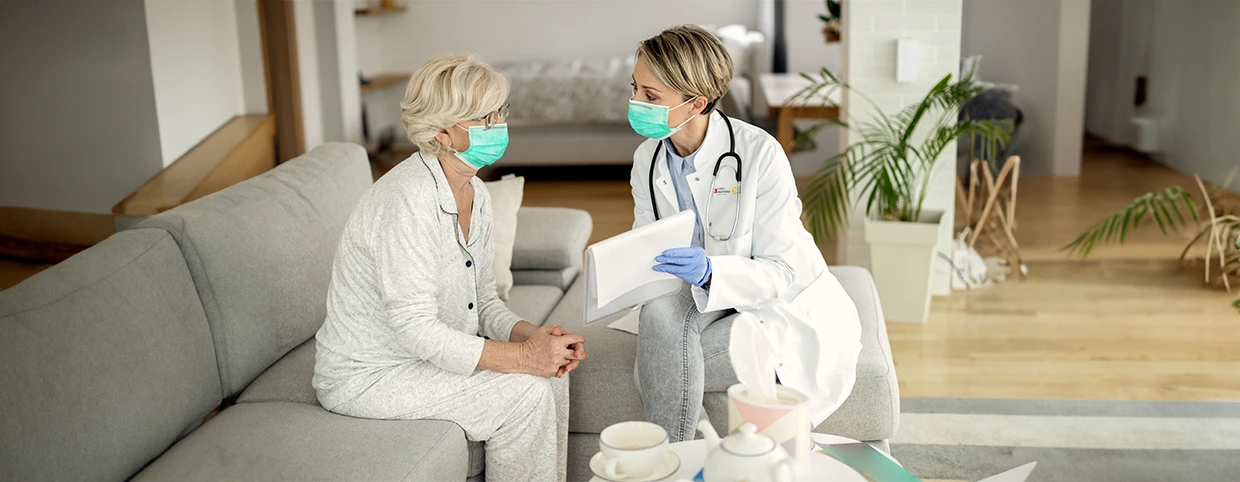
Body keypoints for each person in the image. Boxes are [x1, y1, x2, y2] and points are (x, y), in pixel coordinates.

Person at [312, 53, 586, 482]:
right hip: (370, 375)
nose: (499, 124)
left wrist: (533, 339)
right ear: (442, 132)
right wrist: (522, 358)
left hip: (421, 358)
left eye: (500, 112)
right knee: (525, 392)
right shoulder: (406, 201)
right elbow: (415, 327)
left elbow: (484, 301)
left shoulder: (476, 192)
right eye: (485, 117)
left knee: (552, 375)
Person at [627, 25, 862, 442]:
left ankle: (674, 461)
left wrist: (711, 272)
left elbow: (781, 271)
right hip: (694, 295)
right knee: (658, 318)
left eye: (650, 95)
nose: (635, 103)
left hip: (773, 301)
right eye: (634, 89)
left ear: (696, 102)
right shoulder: (648, 158)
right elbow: (646, 241)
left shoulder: (759, 153)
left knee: (662, 365)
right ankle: (698, 459)